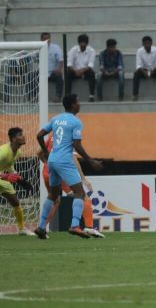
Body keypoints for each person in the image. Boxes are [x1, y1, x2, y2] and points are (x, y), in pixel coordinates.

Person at [35, 94, 103, 239]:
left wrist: (46, 152)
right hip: (65, 160)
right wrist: (91, 161)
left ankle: (41, 227)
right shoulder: (76, 122)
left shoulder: (56, 119)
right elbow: (77, 145)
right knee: (80, 193)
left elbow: (39, 135)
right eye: (78, 101)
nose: (79, 104)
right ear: (72, 105)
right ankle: (74, 225)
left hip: (52, 160)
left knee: (53, 196)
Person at [41, 132, 104, 238]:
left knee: (54, 200)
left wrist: (47, 164)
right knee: (84, 198)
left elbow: (39, 152)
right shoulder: (68, 138)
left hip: (47, 172)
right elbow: (73, 159)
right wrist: (83, 179)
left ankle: (41, 228)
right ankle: (88, 227)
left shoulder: (53, 136)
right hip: (61, 172)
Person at [0, 127, 36, 236]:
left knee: (15, 202)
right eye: (20, 135)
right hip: (2, 176)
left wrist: (20, 180)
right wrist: (5, 176)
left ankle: (21, 229)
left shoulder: (18, 152)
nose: (23, 136)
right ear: (13, 139)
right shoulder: (3, 152)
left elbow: (9, 166)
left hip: (2, 177)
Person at [66, 34, 96, 102]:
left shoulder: (91, 51)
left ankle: (91, 95)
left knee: (92, 73)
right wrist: (75, 71)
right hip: (74, 71)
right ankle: (68, 95)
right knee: (68, 73)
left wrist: (81, 71)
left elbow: (90, 65)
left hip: (86, 71)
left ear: (87, 43)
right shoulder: (73, 50)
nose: (83, 44)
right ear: (79, 43)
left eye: (84, 42)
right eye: (81, 42)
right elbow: (69, 64)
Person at [133, 36, 156, 101]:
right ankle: (135, 95)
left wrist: (151, 72)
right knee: (136, 74)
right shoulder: (139, 51)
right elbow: (138, 65)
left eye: (148, 43)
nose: (147, 45)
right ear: (143, 44)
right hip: (143, 71)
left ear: (151, 43)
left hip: (154, 70)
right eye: (145, 44)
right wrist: (145, 72)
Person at [41, 32, 63, 100]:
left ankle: (58, 96)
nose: (46, 40)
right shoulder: (37, 48)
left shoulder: (55, 48)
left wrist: (59, 69)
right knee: (31, 76)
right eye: (44, 38)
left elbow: (61, 61)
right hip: (41, 73)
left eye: (47, 38)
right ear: (41, 39)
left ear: (50, 39)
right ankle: (32, 98)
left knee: (59, 76)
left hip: (52, 72)